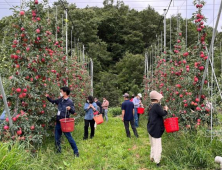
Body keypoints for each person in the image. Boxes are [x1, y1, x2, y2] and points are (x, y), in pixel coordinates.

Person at [46, 87, 79, 157]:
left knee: (69, 137)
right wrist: (47, 97)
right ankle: (58, 152)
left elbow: (73, 111)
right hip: (58, 122)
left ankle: (76, 152)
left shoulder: (70, 102)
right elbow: (53, 101)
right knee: (57, 138)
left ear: (65, 92)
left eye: (61, 91)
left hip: (65, 123)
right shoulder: (60, 100)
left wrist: (70, 108)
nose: (60, 92)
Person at [147, 90, 168, 167]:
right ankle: (157, 162)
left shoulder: (151, 105)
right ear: (157, 98)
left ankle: (152, 157)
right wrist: (165, 109)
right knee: (158, 146)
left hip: (151, 127)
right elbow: (162, 113)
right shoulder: (156, 105)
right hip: (156, 128)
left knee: (153, 144)